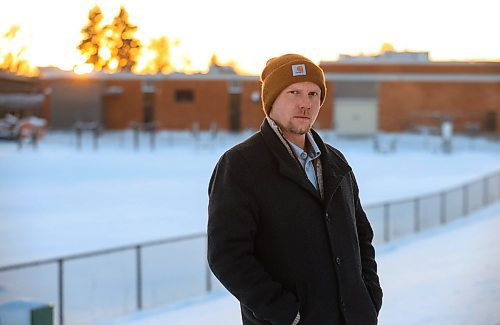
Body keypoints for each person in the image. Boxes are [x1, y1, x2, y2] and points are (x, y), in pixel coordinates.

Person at [207, 54, 382, 325]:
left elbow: (361, 237)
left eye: (314, 94)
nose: (306, 103)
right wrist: (286, 314)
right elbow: (227, 256)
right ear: (271, 101)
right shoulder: (240, 165)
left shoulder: (335, 163)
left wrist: (369, 298)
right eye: (294, 92)